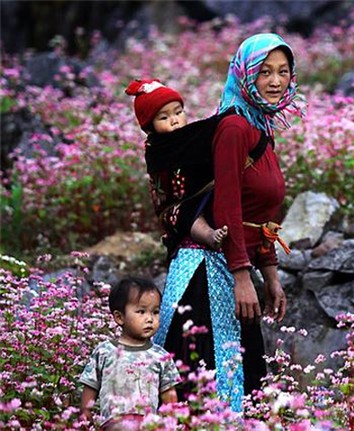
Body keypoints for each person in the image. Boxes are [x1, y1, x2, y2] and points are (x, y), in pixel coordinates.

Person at [154, 32, 305, 411]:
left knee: (241, 375)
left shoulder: (260, 126)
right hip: (208, 272)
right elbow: (228, 206)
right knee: (210, 383)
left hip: (233, 262)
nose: (274, 81)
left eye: (283, 72)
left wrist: (269, 273)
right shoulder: (235, 128)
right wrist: (242, 275)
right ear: (244, 75)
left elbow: (259, 212)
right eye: (264, 71)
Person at [125, 79, 229, 253]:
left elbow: (208, 128)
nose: (174, 120)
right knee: (188, 217)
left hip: (204, 192)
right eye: (164, 117)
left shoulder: (189, 135)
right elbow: (206, 130)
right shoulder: (157, 148)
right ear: (150, 127)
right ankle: (210, 236)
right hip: (176, 204)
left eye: (178, 112)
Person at [79, 277, 179, 430]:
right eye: (141, 311)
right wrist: (85, 413)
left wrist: (170, 422)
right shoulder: (105, 351)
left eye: (155, 312)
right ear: (119, 317)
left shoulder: (161, 356)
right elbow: (91, 385)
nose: (150, 319)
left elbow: (169, 394)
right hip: (112, 425)